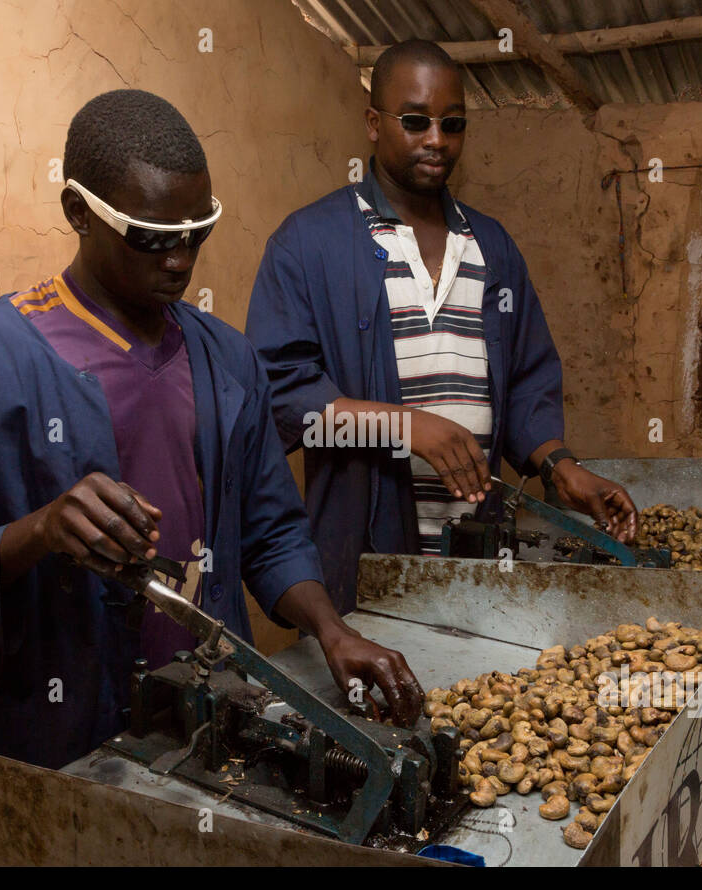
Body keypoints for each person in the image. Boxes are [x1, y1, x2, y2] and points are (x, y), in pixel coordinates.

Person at [0, 90, 423, 770]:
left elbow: (272, 531)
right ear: (79, 212)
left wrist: (330, 631)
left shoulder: (227, 359)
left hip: (216, 732)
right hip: (63, 740)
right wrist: (40, 531)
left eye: (199, 232)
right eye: (155, 238)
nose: (180, 260)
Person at [245, 39, 638, 613]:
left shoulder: (492, 247)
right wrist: (405, 428)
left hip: (477, 562)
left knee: (474, 699)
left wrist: (562, 467)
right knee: (366, 698)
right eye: (415, 121)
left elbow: (527, 381)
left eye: (452, 124)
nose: (436, 139)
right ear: (374, 123)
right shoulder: (310, 243)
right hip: (365, 560)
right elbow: (285, 399)